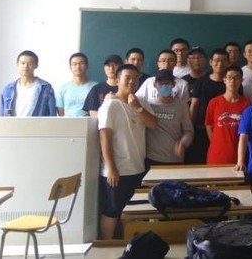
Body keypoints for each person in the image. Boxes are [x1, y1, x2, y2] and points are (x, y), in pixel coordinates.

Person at [97, 64, 157, 239]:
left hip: (137, 167)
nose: (132, 81)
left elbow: (153, 124)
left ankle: (128, 246)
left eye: (135, 78)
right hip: (117, 170)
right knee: (112, 211)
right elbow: (104, 137)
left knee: (131, 211)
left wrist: (137, 107)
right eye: (127, 78)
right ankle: (107, 247)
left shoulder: (140, 101)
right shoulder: (110, 105)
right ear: (117, 80)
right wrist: (111, 168)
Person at [186, 48, 231, 164]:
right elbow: (194, 106)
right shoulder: (201, 82)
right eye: (216, 60)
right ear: (210, 62)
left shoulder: (232, 83)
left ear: (228, 63)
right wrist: (189, 129)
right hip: (201, 130)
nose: (220, 64)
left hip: (224, 130)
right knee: (199, 162)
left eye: (223, 60)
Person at [144, 69, 194, 166]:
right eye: (160, 83)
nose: (164, 86)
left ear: (174, 84)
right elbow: (130, 101)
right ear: (154, 85)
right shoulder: (147, 104)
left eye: (167, 83)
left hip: (175, 159)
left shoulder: (182, 106)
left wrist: (183, 144)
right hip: (152, 158)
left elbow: (189, 131)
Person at [205, 66, 252, 165]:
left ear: (241, 81)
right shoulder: (214, 102)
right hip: (216, 155)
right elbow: (209, 125)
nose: (232, 81)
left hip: (239, 157)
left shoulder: (247, 104)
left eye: (236, 78)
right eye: (229, 77)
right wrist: (215, 143)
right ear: (224, 80)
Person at [0, 50, 57, 117]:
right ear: (17, 64)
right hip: (12, 124)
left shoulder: (46, 88)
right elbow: (1, 116)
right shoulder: (8, 89)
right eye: (22, 63)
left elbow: (52, 116)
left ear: (36, 65)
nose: (25, 66)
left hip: (37, 124)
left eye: (30, 64)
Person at [56, 52, 96, 117]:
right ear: (70, 67)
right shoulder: (62, 89)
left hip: (88, 122)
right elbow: (61, 114)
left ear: (87, 66)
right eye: (74, 64)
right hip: (67, 122)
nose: (78, 66)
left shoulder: (95, 87)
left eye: (81, 63)